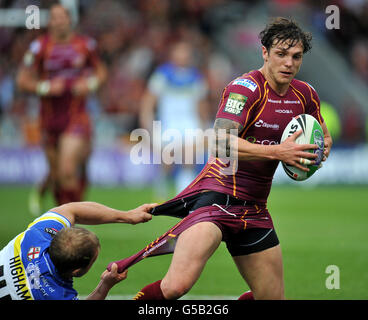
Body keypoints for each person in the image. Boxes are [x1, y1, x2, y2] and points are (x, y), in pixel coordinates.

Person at [108, 17, 333, 300]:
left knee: (271, 298)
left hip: (255, 209)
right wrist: (278, 151)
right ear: (265, 53)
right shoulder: (244, 89)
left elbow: (322, 136)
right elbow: (221, 141)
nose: (289, 63)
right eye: (281, 54)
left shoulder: (305, 95)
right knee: (177, 285)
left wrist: (320, 150)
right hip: (217, 199)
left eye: (296, 56)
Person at [17, 4, 107, 215]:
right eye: (54, 18)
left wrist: (90, 84)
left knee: (68, 170)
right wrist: (45, 87)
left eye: (62, 17)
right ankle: (64, 218)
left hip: (76, 116)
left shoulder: (85, 45)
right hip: (49, 118)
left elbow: (101, 72)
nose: (58, 21)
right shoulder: (39, 47)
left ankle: (76, 220)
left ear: (70, 19)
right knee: (58, 176)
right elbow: (22, 80)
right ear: (50, 21)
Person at [0, 200, 154, 300]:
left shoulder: (35, 235)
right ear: (77, 271)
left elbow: (71, 210)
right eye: (93, 260)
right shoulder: (60, 296)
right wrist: (105, 284)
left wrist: (127, 216)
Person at [139, 40, 209, 200]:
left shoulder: (196, 77)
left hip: (189, 122)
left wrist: (204, 126)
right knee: (167, 159)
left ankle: (185, 193)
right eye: (179, 52)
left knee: (189, 157)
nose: (182, 56)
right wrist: (147, 123)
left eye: (185, 53)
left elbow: (201, 104)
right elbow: (149, 101)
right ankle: (161, 187)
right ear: (173, 55)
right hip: (168, 122)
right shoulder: (163, 75)